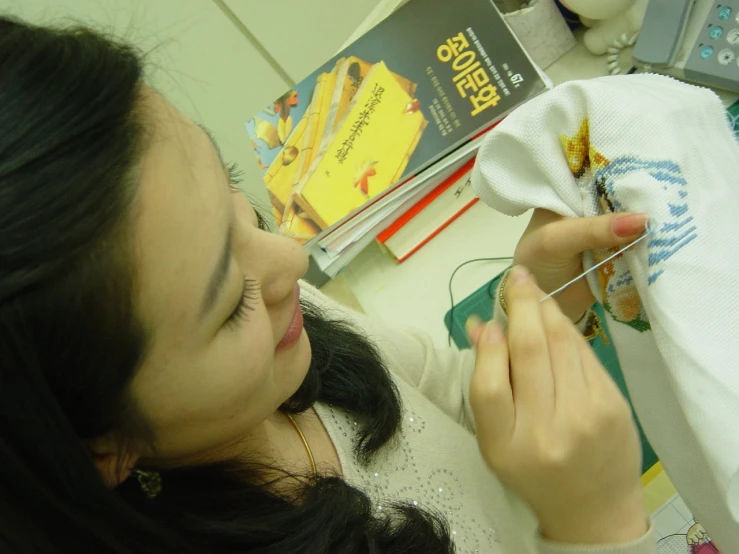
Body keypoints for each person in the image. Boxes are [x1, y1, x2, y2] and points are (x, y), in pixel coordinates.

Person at [0, 15, 656, 554]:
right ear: (100, 450)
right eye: (230, 305)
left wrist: (534, 310)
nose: (291, 259)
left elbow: (448, 398)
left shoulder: (278, 317)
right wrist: (597, 527)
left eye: (238, 203)